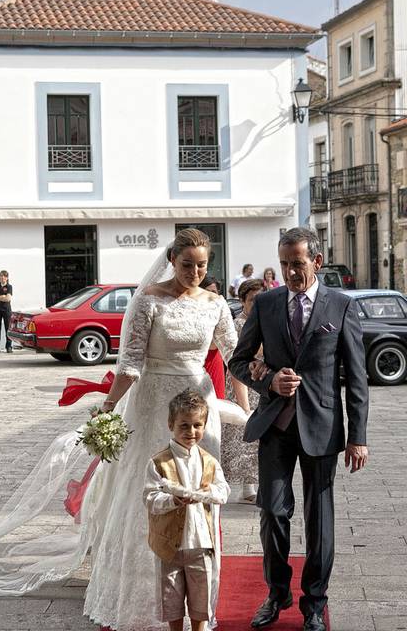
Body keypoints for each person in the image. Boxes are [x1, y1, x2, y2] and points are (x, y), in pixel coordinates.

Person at [0, 228, 249, 630]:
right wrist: (107, 409)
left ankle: (197, 596)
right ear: (172, 261)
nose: (194, 271)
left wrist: (249, 400)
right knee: (147, 489)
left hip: (199, 404)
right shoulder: (149, 300)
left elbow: (235, 356)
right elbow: (130, 363)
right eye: (187, 263)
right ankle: (142, 594)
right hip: (153, 402)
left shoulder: (214, 305)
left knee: (199, 486)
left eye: (202, 265)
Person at [229, 227, 368, 631]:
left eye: (298, 264)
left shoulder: (340, 306)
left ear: (317, 262)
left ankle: (314, 604)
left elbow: (357, 379)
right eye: (285, 264)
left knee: (319, 518)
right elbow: (238, 362)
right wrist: (269, 380)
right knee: (272, 511)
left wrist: (358, 436)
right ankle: (277, 594)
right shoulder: (267, 304)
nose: (290, 272)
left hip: (322, 427)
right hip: (275, 424)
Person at [144, 390, 230, 631]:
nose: (191, 432)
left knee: (200, 596)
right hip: (170, 545)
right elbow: (150, 498)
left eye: (197, 425)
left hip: (200, 542)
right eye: (184, 425)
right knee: (171, 596)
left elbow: (223, 492)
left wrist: (208, 492)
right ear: (171, 424)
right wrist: (173, 500)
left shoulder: (210, 462)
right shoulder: (158, 462)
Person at [223, 278, 265, 503]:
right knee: (241, 434)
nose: (256, 304)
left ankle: (257, 483)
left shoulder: (267, 321)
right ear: (243, 301)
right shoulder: (239, 324)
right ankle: (247, 486)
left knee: (260, 437)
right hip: (243, 383)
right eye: (252, 300)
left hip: (263, 384)